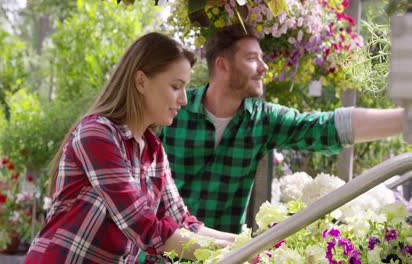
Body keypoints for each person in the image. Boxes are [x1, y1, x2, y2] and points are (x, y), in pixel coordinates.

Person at [159, 23, 406, 233]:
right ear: (222, 66)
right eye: (252, 58)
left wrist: (405, 119)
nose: (264, 67)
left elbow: (326, 127)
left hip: (221, 256)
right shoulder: (173, 109)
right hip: (159, 254)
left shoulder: (263, 120)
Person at [24, 32, 237, 264]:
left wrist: (247, 244)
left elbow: (181, 222)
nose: (184, 99)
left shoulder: (153, 151)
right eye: (176, 86)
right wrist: (225, 252)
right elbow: (144, 228)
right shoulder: (97, 135)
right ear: (141, 81)